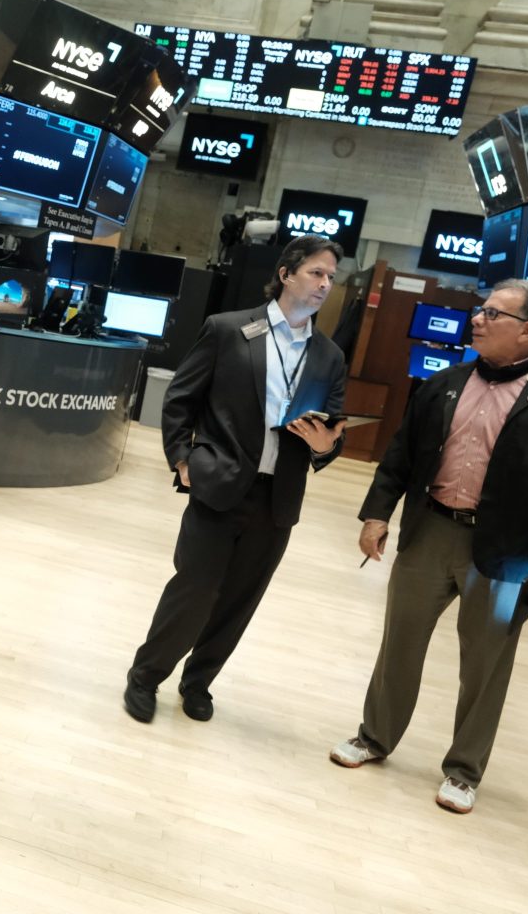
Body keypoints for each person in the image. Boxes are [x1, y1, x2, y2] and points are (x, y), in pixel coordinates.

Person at [329, 279, 528, 815]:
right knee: (399, 642)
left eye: (493, 314)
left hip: (507, 554)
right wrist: (377, 513)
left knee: (486, 664)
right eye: (480, 310)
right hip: (429, 531)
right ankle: (374, 737)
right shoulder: (443, 383)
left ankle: (464, 771)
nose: (477, 319)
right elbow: (400, 455)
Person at [124, 235, 349, 724]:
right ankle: (145, 675)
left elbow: (333, 431)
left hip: (277, 499)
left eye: (331, 277)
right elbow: (180, 399)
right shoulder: (229, 330)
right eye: (316, 272)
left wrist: (325, 446)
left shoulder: (329, 355)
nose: (325, 284)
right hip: (219, 484)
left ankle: (198, 682)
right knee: (196, 589)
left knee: (239, 601)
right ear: (286, 274)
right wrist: (182, 459)